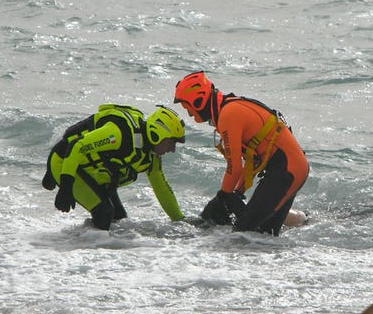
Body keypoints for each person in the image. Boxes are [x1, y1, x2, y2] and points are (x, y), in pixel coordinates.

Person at [173, 71, 309, 236]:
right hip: (289, 168)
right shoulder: (229, 109)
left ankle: (305, 221)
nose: (190, 115)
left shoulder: (228, 115)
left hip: (286, 169)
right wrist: (237, 192)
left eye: (188, 109)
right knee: (263, 233)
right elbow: (251, 162)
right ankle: (306, 220)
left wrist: (223, 196)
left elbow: (235, 167)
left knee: (245, 235)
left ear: (198, 102)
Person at [42, 104, 186, 230]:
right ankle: (77, 252)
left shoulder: (151, 158)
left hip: (92, 174)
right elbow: (77, 146)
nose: (173, 149)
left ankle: (100, 251)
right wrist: (66, 188)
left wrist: (181, 222)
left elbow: (162, 190)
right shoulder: (118, 134)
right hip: (63, 163)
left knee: (120, 221)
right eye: (172, 142)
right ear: (157, 134)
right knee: (104, 213)